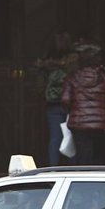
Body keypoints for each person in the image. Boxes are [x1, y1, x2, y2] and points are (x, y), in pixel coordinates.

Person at [61, 42, 105, 165]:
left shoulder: (72, 77)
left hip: (80, 123)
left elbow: (65, 100)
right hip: (102, 123)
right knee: (101, 158)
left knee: (83, 158)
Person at [35, 32, 77, 166]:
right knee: (72, 137)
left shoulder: (44, 63)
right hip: (72, 102)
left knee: (55, 137)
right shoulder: (75, 59)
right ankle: (74, 168)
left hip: (53, 103)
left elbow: (40, 84)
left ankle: (53, 167)